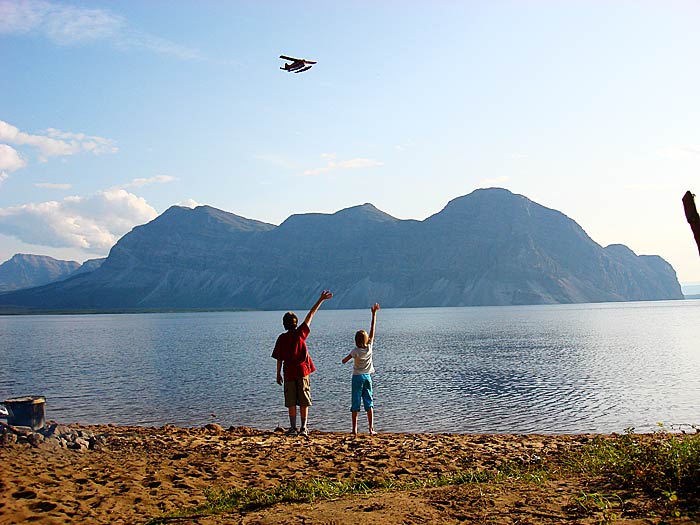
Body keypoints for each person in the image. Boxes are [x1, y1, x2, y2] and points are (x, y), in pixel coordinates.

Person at [272, 290, 333, 437]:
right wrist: (321, 299)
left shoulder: (281, 338)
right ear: (296, 323)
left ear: (284, 325)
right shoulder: (300, 334)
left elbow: (279, 358)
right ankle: (304, 427)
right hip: (302, 371)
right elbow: (311, 315)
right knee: (304, 400)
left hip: (288, 373)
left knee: (291, 401)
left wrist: (278, 373)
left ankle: (293, 428)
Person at [342, 303, 380, 435]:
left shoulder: (355, 351)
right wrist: (374, 314)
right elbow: (372, 330)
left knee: (355, 403)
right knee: (369, 402)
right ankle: (371, 429)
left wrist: (345, 360)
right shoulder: (369, 348)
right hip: (367, 377)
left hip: (357, 377)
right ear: (366, 339)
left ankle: (354, 429)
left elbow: (345, 360)